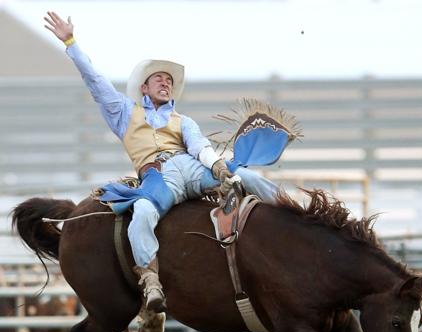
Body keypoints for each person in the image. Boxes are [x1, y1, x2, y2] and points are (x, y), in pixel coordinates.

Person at [44, 11, 279, 313]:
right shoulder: (123, 112)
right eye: (159, 78)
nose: (165, 83)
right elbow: (94, 79)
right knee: (142, 212)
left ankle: (294, 211)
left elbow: (200, 147)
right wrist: (71, 41)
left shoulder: (183, 120)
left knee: (247, 176)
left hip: (190, 167)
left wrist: (218, 167)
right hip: (159, 176)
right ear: (144, 87)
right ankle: (151, 281)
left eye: (169, 80)